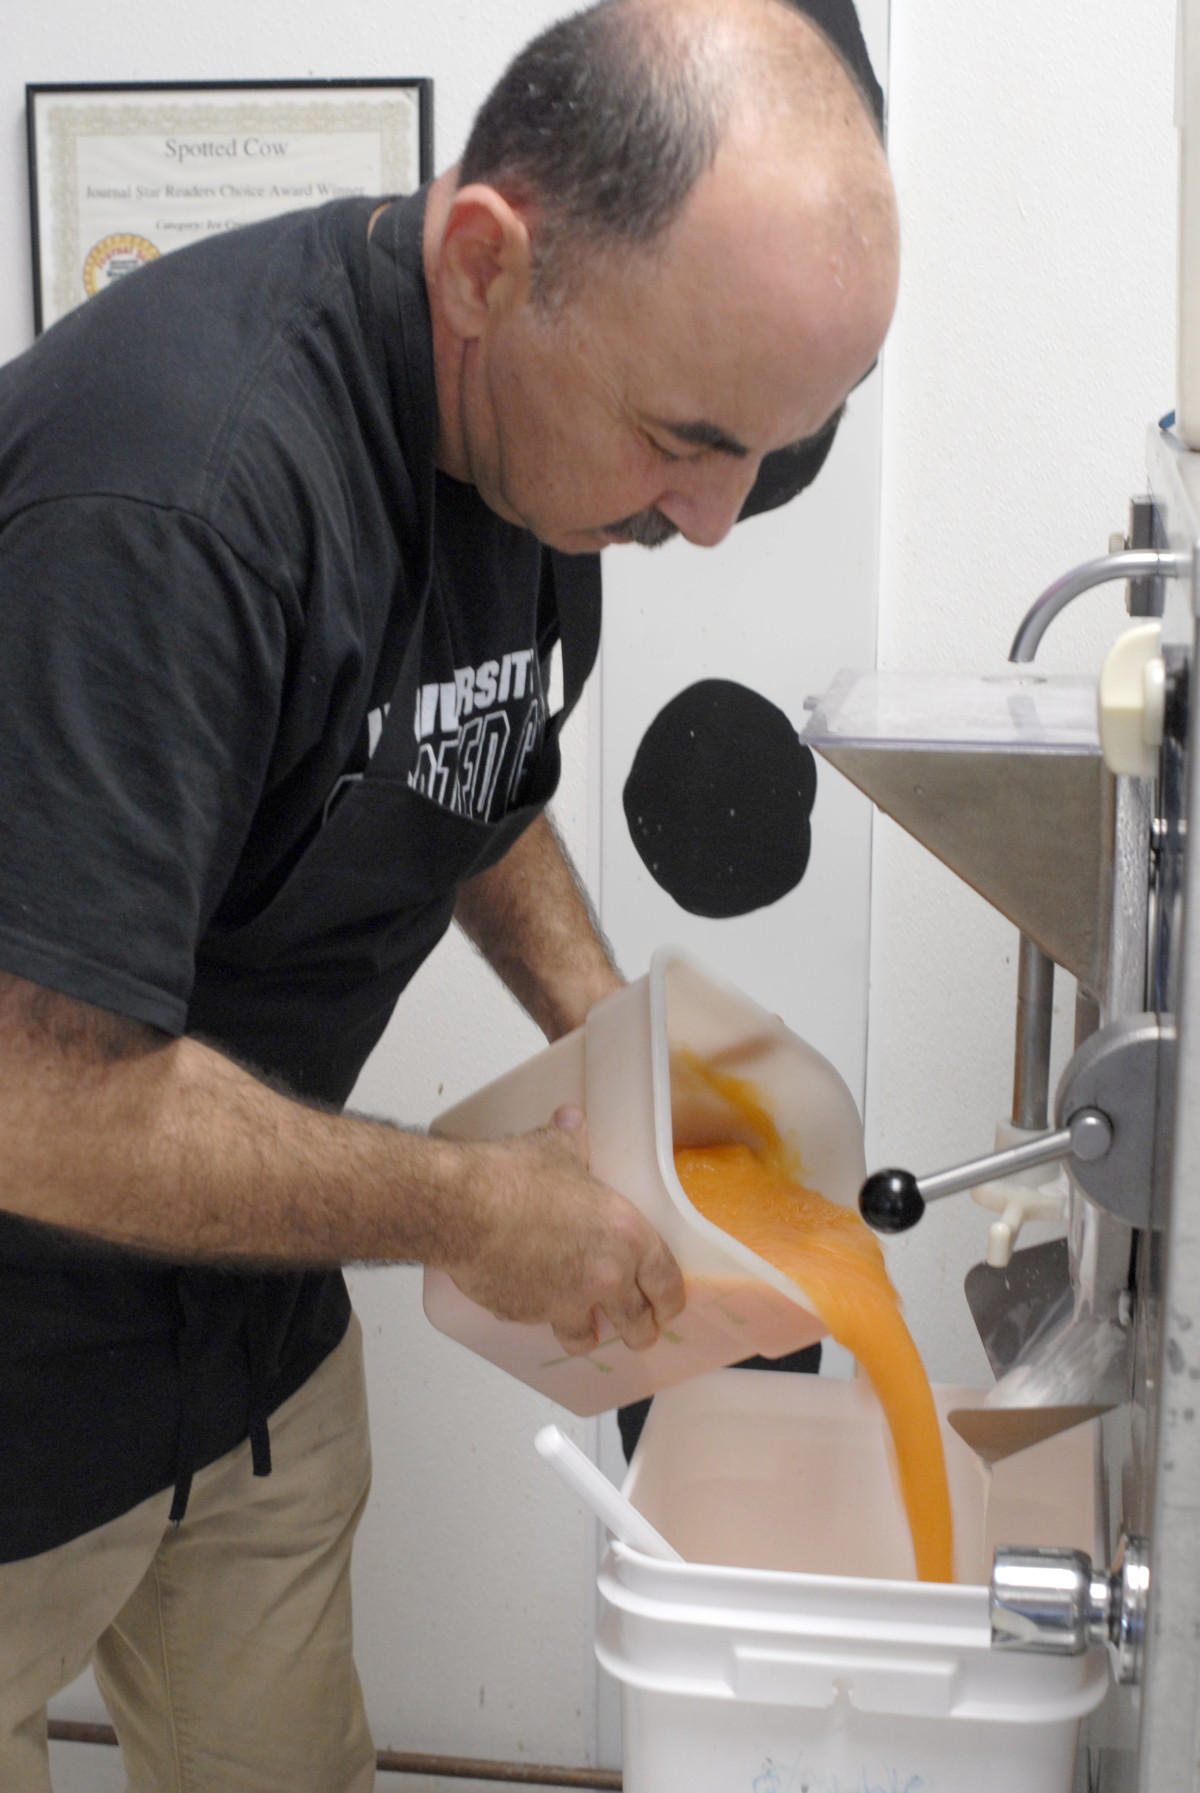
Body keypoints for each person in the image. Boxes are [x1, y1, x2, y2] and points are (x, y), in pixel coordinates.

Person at [0, 0, 898, 1785]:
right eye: (688, 439)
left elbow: (461, 771)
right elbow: (34, 1098)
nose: (710, 521)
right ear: (488, 264)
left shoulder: (533, 447)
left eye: (766, 459)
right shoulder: (177, 502)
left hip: (242, 1350)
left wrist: (610, 1035)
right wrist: (474, 1208)